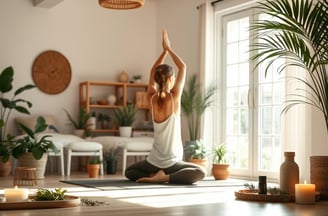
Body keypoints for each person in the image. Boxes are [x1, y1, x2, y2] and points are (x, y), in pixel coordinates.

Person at [125, 29, 206, 184]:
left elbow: (152, 70)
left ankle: (154, 175)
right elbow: (183, 67)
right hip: (173, 162)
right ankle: (165, 177)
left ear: (156, 79)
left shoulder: (151, 98)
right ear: (170, 79)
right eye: (173, 77)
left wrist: (163, 53)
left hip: (154, 161)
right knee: (200, 172)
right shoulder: (174, 97)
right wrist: (168, 49)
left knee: (130, 172)